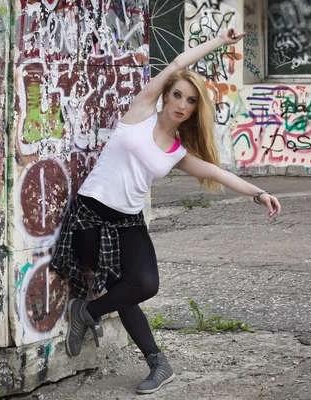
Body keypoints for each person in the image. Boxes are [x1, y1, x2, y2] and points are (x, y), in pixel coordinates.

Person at [50, 28, 281, 395]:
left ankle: (88, 313)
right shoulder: (141, 111)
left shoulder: (176, 153)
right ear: (167, 94)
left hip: (128, 222)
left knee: (144, 285)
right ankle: (158, 360)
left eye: (190, 101)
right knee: (120, 287)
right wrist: (219, 42)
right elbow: (176, 63)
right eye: (177, 94)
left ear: (193, 110)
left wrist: (259, 193)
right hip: (90, 217)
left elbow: (215, 171)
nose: (181, 104)